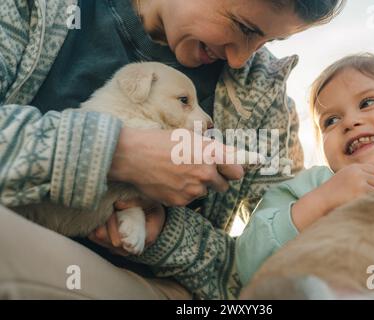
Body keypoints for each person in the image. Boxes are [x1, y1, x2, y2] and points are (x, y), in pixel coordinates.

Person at [0, 0, 345, 299]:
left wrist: (167, 234)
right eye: (243, 27)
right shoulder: (33, 9)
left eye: (268, 41)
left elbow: (271, 277)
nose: (241, 59)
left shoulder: (265, 100)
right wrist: (118, 153)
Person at [236, 54, 374, 299]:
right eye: (331, 121)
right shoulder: (311, 186)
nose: (349, 122)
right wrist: (320, 202)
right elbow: (249, 263)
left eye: (368, 102)